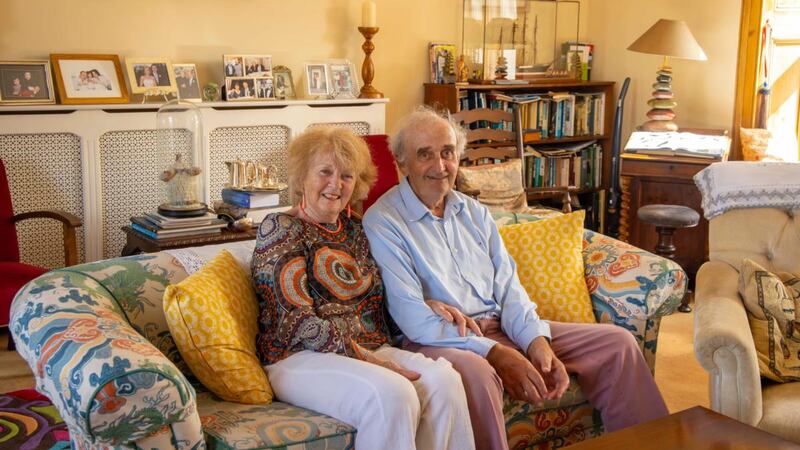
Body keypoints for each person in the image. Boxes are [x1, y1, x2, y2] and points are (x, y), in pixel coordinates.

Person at [362, 108, 670, 450]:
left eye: (448, 152)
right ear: (401, 163)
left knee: (618, 345)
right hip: (441, 339)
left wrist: (534, 340)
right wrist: (494, 353)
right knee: (477, 376)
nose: (440, 166)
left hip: (502, 327)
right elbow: (414, 319)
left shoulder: (474, 212)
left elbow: (509, 288)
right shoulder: (384, 222)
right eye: (425, 155)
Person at [251, 126, 475, 450]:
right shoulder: (282, 228)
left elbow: (381, 301)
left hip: (369, 350)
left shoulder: (358, 227)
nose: (335, 184)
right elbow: (294, 322)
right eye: (325, 172)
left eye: (346, 176)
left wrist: (423, 304)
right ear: (302, 177)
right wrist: (366, 357)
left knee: (446, 382)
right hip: (299, 357)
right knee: (393, 394)